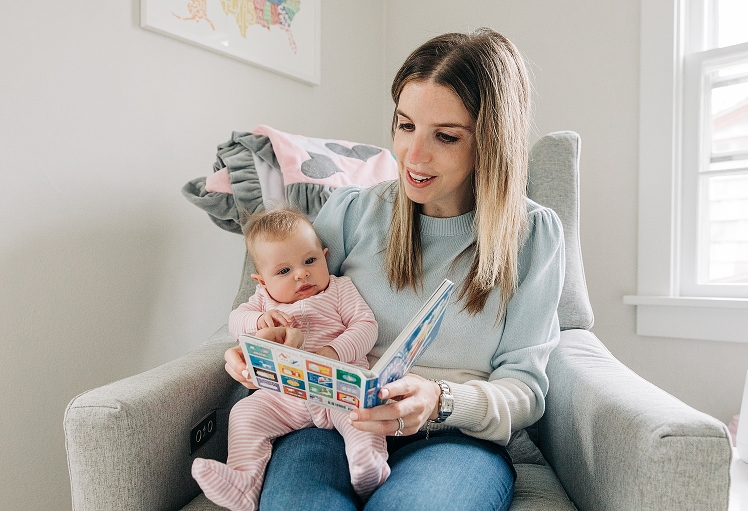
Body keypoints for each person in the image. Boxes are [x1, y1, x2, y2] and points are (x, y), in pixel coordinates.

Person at [223, 27, 565, 511]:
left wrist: (441, 399)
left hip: (451, 440)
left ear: (491, 143)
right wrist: (254, 350)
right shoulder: (352, 212)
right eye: (405, 126)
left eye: (445, 136)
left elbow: (526, 389)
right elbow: (280, 305)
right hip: (330, 423)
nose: (413, 157)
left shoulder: (533, 235)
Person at [192, 208, 388, 511]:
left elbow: (366, 327)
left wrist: (333, 353)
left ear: (324, 256)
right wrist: (259, 321)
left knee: (363, 414)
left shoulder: (338, 290)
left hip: (336, 386)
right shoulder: (262, 301)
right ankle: (244, 482)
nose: (301, 273)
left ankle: (368, 465)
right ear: (262, 280)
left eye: (310, 260)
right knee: (244, 413)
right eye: (283, 271)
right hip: (284, 396)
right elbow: (235, 322)